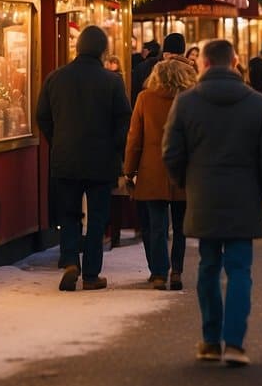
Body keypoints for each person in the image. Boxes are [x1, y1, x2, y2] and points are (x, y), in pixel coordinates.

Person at [163, 39, 262, 367]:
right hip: (245, 195)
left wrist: (186, 181)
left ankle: (210, 339)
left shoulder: (186, 103)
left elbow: (171, 151)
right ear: (235, 62)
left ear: (202, 63)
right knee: (240, 269)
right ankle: (235, 343)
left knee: (208, 266)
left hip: (203, 193)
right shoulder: (257, 103)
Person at [36, 25, 131, 291]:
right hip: (101, 161)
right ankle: (91, 274)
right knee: (98, 217)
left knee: (68, 214)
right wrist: (114, 146)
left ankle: (69, 261)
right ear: (103, 51)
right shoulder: (112, 82)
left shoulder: (55, 78)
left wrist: (58, 140)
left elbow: (42, 114)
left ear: (77, 48)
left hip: (65, 158)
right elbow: (124, 120)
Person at [125, 59, 197, 291]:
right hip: (183, 170)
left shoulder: (145, 99)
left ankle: (158, 272)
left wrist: (130, 170)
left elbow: (135, 139)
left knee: (156, 224)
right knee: (180, 226)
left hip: (152, 170)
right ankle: (176, 271)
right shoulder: (191, 100)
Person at [130, 39, 161, 105]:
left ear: (148, 51)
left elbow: (135, 88)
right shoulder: (162, 65)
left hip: (143, 101)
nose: (141, 52)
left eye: (143, 49)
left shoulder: (141, 66)